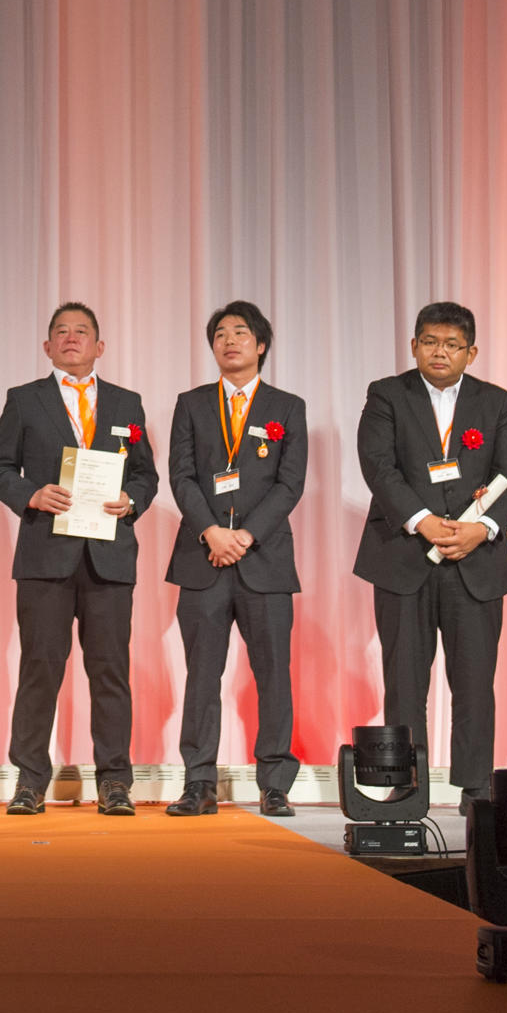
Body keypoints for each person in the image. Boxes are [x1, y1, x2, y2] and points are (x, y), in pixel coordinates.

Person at [0, 301, 157, 816]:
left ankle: (115, 782)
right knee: (40, 669)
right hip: (46, 556)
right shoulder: (24, 400)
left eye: (82, 331)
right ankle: (29, 781)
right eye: (61, 331)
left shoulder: (127, 402)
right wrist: (31, 495)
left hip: (109, 556)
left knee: (111, 672)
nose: (71, 337)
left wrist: (132, 500)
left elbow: (146, 474)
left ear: (99, 346)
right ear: (47, 346)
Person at [352, 301, 507, 808]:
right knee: (404, 682)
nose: (440, 352)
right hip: (404, 555)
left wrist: (481, 529)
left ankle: (475, 786)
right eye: (430, 341)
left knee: (474, 682)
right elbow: (378, 466)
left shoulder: (495, 401)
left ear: (471, 352)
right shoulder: (387, 394)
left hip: (475, 561)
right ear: (414, 346)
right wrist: (423, 521)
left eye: (452, 344)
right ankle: (407, 785)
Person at [165, 300, 307, 817]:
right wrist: (211, 532)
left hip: (263, 559)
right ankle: (199, 782)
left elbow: (290, 483)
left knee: (273, 674)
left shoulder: (287, 407)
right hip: (202, 559)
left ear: (261, 344)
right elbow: (181, 475)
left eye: (241, 332)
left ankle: (275, 783)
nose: (229, 341)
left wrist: (244, 535)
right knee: (201, 675)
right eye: (220, 333)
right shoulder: (191, 403)